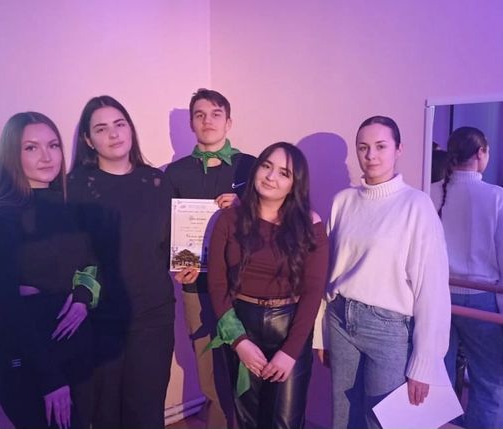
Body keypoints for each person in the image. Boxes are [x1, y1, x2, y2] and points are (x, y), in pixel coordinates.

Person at [314, 115, 451, 429]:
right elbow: (328, 273)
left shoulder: (416, 205)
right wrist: (320, 334)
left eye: (380, 146)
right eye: (363, 147)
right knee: (343, 418)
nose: (371, 155)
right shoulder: (343, 201)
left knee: (383, 421)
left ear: (398, 149)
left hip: (389, 329)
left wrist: (425, 362)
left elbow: (431, 289)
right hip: (340, 318)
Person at [0, 112, 99, 429]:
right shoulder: (0, 217)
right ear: (12, 155)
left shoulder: (69, 206)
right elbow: (7, 305)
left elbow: (91, 263)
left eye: (53, 145)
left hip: (74, 348)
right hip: (29, 355)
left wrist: (82, 297)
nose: (46, 156)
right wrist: (49, 378)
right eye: (31, 147)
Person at [68, 95, 175, 429]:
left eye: (120, 124)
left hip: (153, 314)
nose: (114, 134)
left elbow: (169, 246)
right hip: (99, 318)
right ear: (88, 140)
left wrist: (185, 266)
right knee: (104, 414)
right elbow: (71, 255)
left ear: (130, 129)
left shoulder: (157, 181)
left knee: (146, 411)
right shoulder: (74, 187)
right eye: (101, 128)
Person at [207, 142, 328, 429]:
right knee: (248, 419)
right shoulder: (229, 219)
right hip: (240, 323)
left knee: (284, 421)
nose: (271, 177)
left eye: (284, 173)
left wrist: (290, 352)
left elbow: (313, 291)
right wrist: (239, 342)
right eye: (266, 166)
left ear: (294, 184)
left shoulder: (310, 225)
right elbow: (217, 283)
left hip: (289, 327)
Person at [165, 88, 256, 428]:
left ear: (229, 122)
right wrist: (179, 266)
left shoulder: (252, 167)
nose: (208, 121)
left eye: (216, 114)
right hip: (197, 286)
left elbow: (274, 220)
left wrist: (244, 207)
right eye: (200, 115)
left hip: (246, 286)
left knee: (247, 366)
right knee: (208, 369)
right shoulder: (175, 173)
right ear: (191, 123)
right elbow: (167, 230)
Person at [431, 126, 503, 429]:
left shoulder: (430, 192)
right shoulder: (496, 196)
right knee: (489, 383)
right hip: (482, 299)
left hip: (438, 297)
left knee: (439, 381)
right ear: (481, 153)